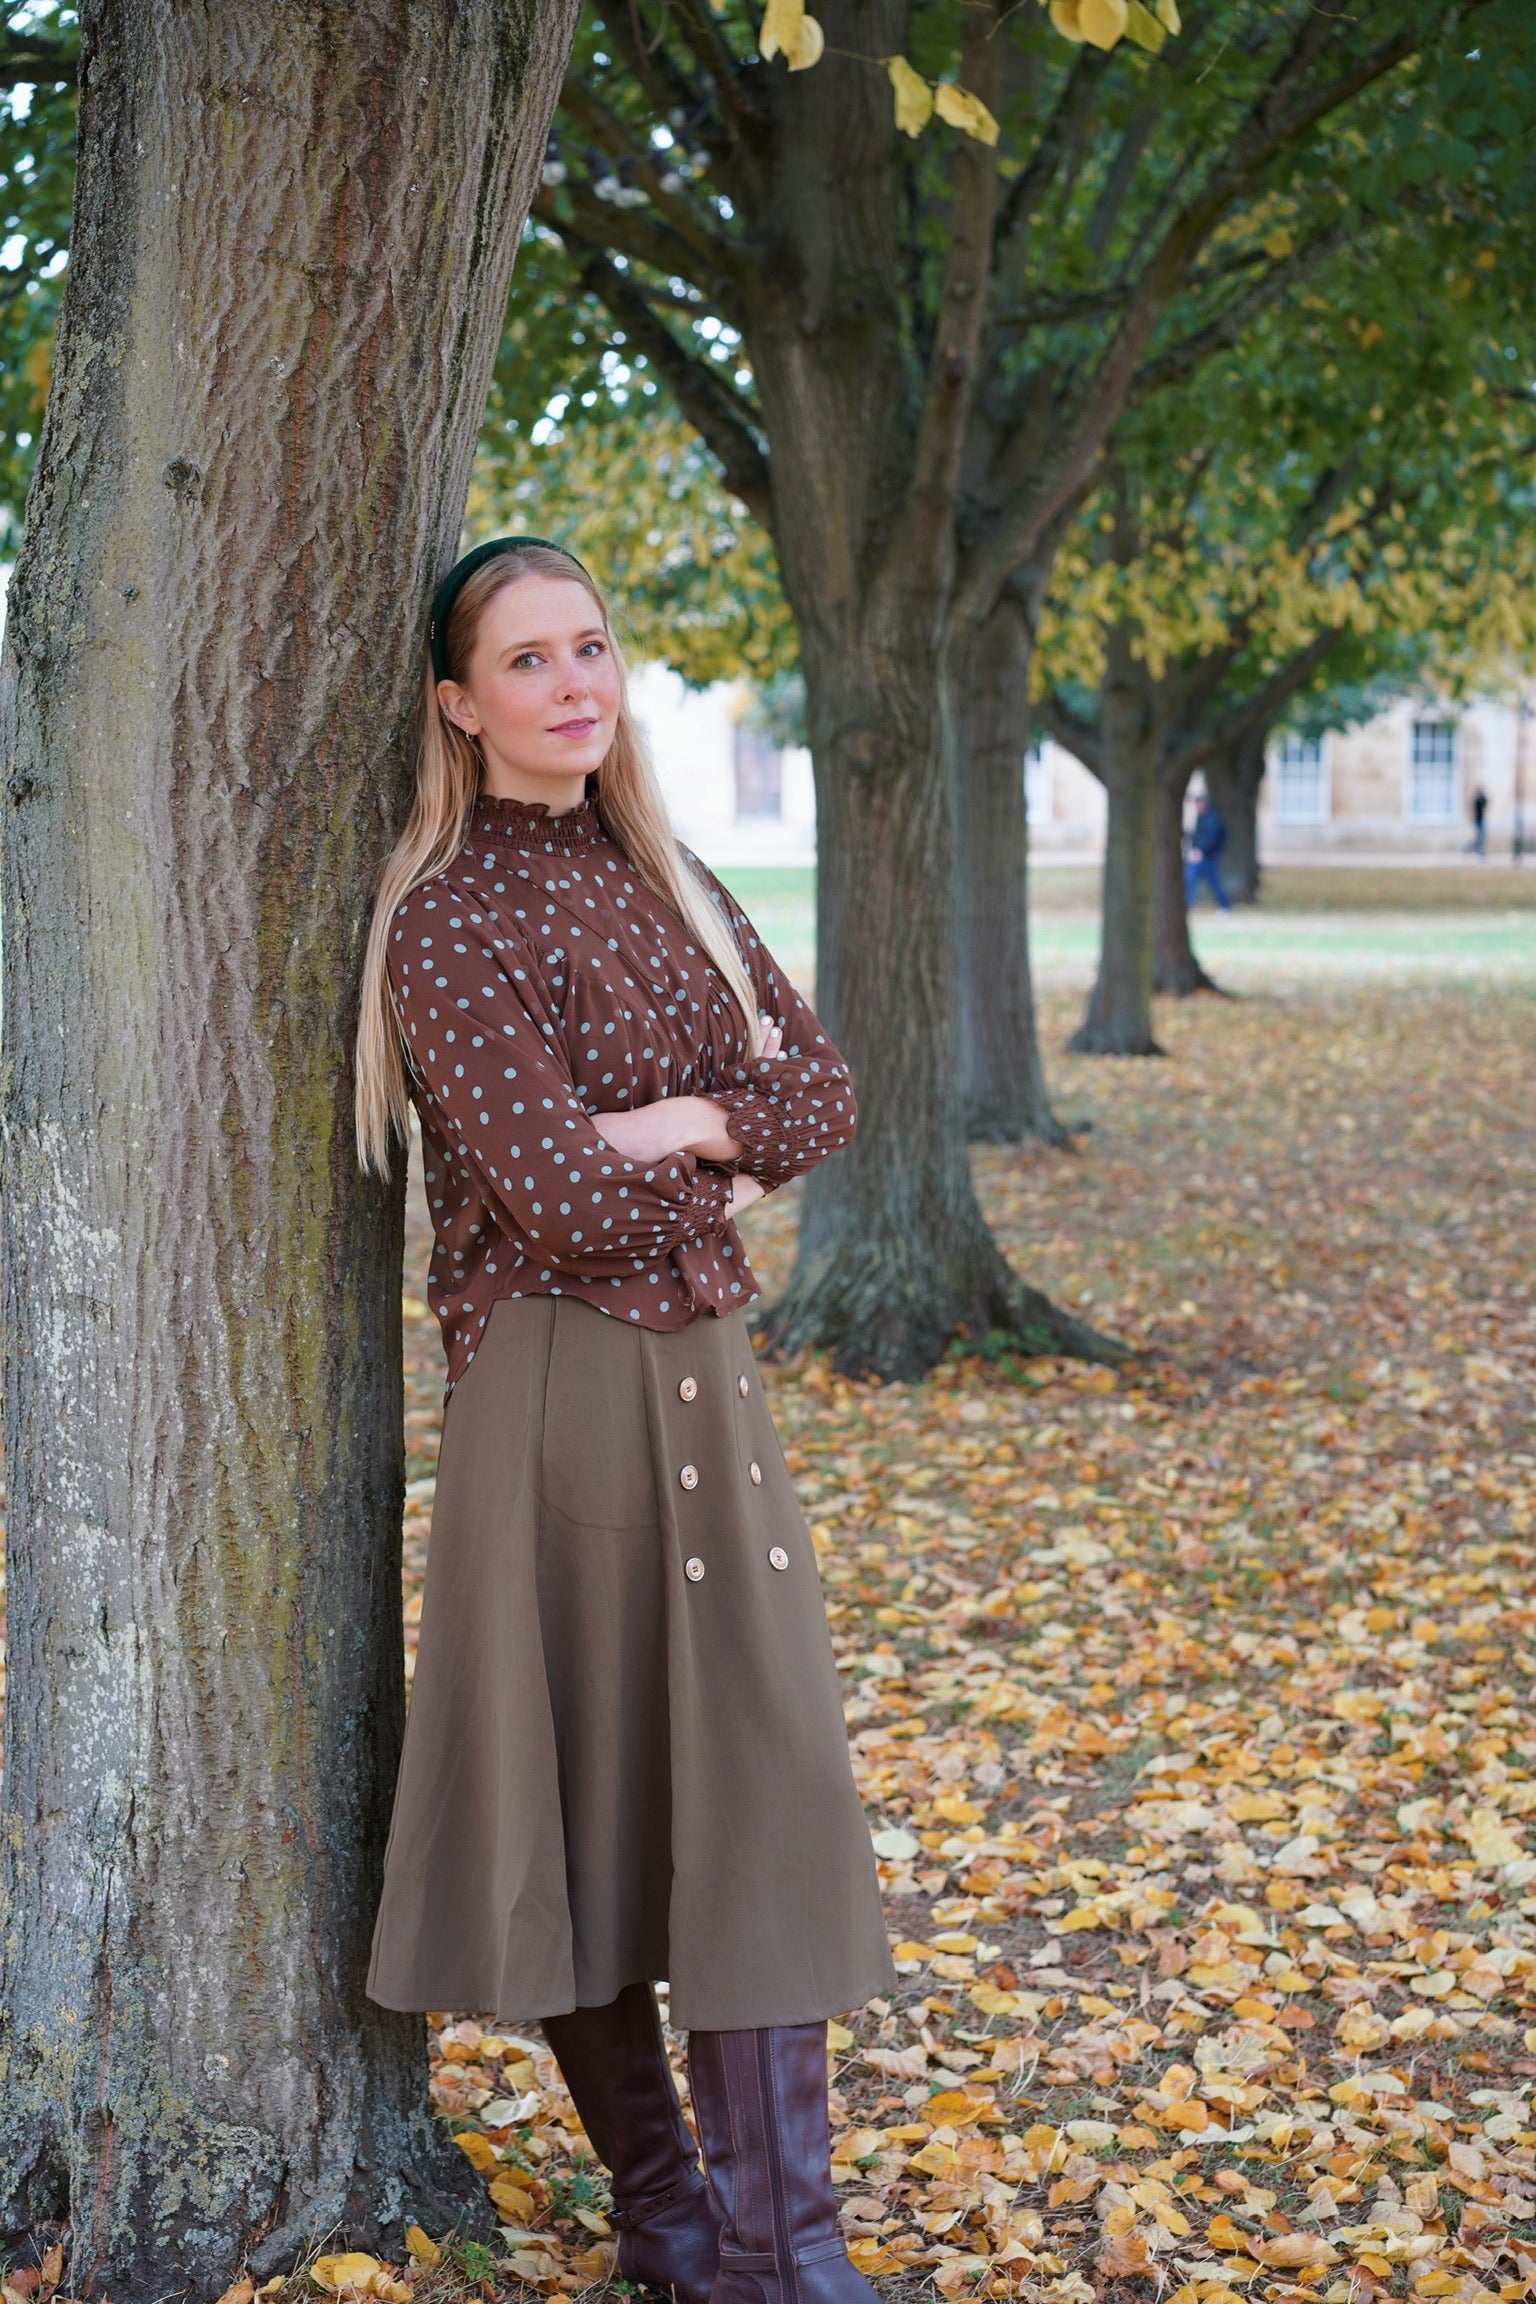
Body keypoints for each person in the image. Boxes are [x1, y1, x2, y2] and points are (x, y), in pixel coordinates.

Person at [355, 537, 894, 2304]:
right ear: (459, 700)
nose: (573, 683)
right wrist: (697, 1144)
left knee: (761, 1777)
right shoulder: (443, 921)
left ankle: (779, 2246)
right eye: (526, 659)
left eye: (590, 646)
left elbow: (818, 1088)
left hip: (709, 1391)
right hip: (554, 1394)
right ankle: (671, 2212)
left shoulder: (671, 877)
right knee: (581, 1803)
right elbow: (552, 1196)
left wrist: (663, 1131)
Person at [1184, 790, 1231, 911]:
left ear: (1203, 804)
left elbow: (1210, 839)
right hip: (1202, 855)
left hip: (1208, 856)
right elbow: (1198, 836)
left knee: (1200, 879)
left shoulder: (1211, 820)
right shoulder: (1202, 818)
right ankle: (1188, 904)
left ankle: (1224, 905)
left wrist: (1200, 851)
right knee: (1195, 878)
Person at [1469, 785, 1489, 857]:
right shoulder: (1477, 800)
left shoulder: (1481, 799)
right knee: (1479, 837)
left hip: (1481, 820)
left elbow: (1486, 802)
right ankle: (1475, 850)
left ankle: (1478, 851)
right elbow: (1479, 804)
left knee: (1481, 837)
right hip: (1478, 821)